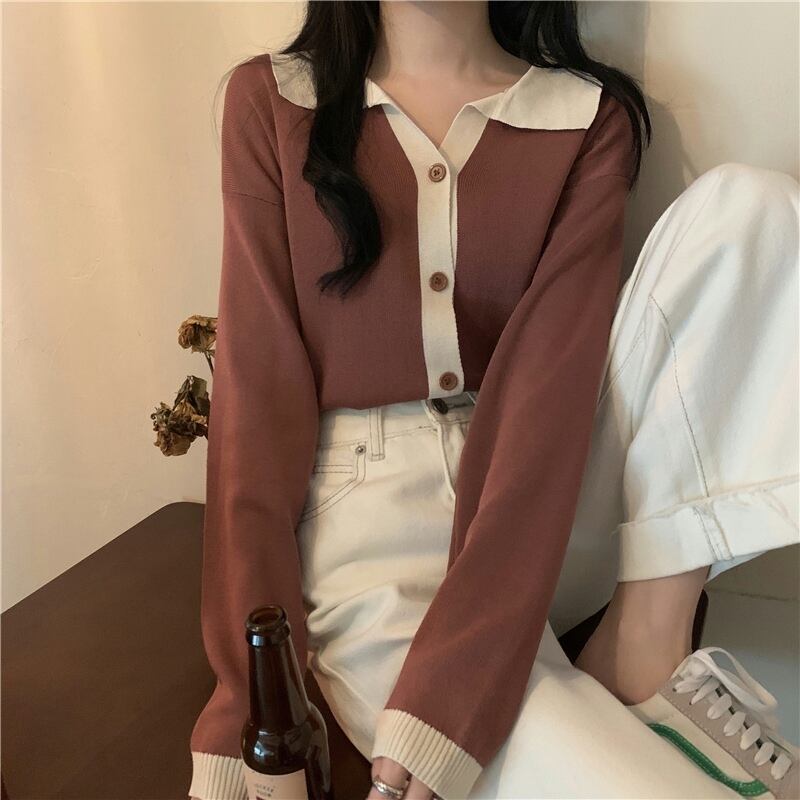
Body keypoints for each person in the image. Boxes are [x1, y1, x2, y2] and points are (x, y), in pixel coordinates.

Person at [188, 2, 799, 798]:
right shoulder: (273, 102)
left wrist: (460, 683)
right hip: (377, 530)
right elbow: (257, 403)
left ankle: (645, 640)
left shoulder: (586, 115)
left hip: (550, 490)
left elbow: (550, 387)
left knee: (753, 209)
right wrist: (246, 700)